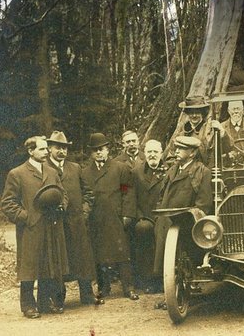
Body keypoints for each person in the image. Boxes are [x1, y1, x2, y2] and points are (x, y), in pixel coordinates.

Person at [1, 136, 68, 318]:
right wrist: (26, 217)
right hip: (30, 229)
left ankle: (44, 303)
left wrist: (62, 206)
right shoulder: (17, 173)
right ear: (31, 151)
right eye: (42, 149)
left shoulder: (52, 172)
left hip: (50, 226)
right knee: (28, 268)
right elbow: (7, 203)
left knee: (48, 264)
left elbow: (62, 193)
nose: (46, 152)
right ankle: (28, 306)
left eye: (47, 149)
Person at [45, 131, 103, 307]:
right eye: (58, 147)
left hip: (77, 223)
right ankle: (58, 298)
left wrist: (84, 213)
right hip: (56, 224)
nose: (62, 151)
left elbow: (88, 194)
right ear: (49, 148)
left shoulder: (75, 168)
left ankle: (86, 294)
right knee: (58, 260)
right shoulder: (44, 168)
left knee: (82, 259)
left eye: (64, 148)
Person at [153, 136, 213, 308]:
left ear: (192, 153)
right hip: (166, 220)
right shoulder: (173, 170)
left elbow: (204, 204)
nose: (176, 151)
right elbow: (162, 195)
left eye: (181, 149)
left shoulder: (202, 172)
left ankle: (175, 297)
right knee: (166, 262)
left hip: (186, 223)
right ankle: (170, 294)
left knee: (175, 261)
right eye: (176, 148)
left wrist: (192, 217)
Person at [81, 132, 139, 300]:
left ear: (108, 150)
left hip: (115, 216)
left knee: (122, 252)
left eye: (102, 149)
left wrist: (127, 213)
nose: (99, 152)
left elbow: (127, 191)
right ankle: (103, 287)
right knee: (99, 254)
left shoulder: (119, 168)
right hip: (96, 218)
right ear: (91, 153)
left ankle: (128, 287)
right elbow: (84, 195)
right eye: (95, 150)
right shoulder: (85, 173)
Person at [131, 139, 168, 293]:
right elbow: (129, 195)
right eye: (149, 152)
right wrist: (139, 216)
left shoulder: (169, 171)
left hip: (163, 215)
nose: (152, 155)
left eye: (156, 152)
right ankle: (147, 281)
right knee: (143, 230)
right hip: (144, 216)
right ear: (144, 153)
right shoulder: (135, 172)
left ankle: (162, 280)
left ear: (161, 153)